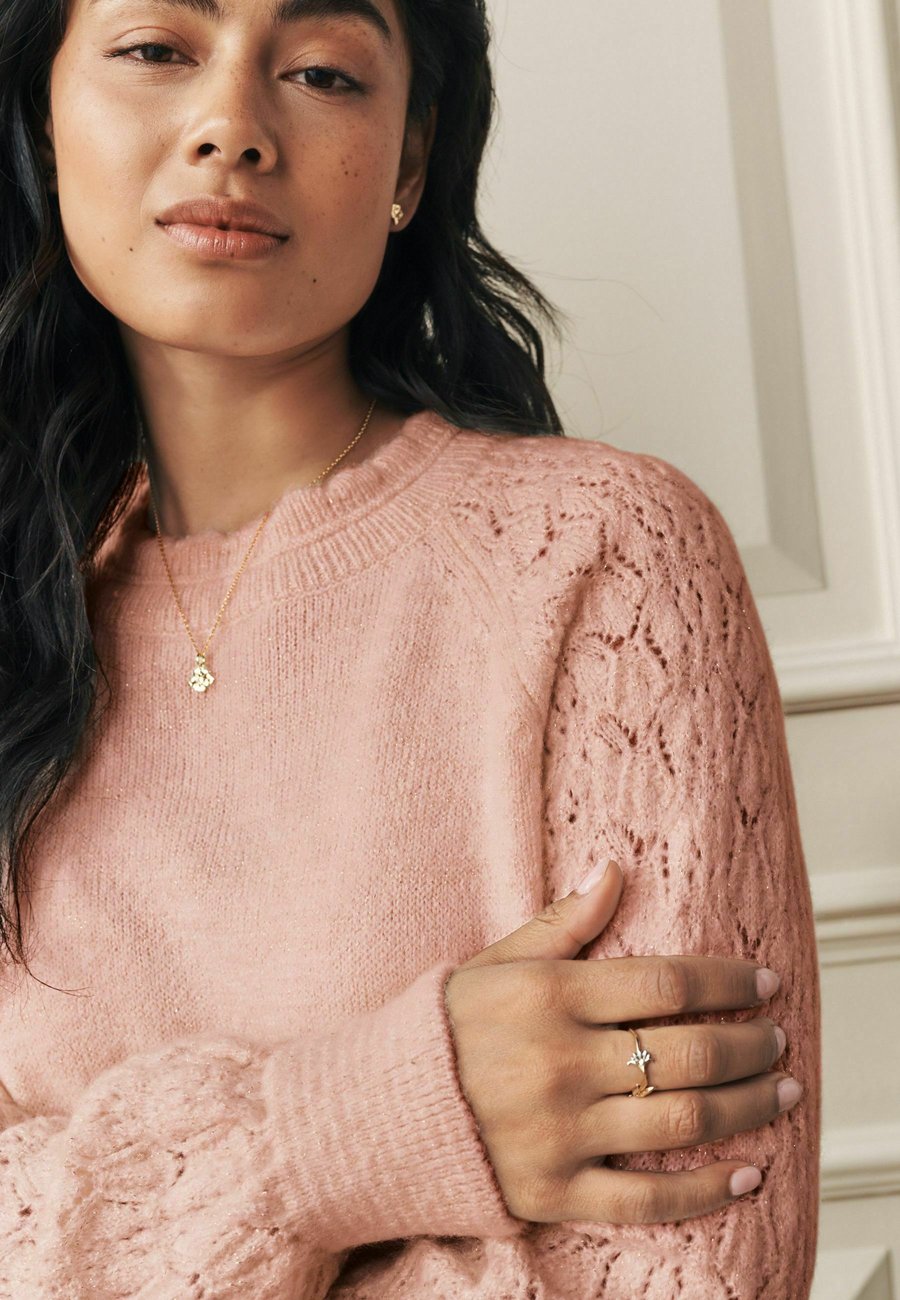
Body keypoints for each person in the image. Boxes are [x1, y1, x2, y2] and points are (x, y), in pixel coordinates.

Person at [0, 0, 820, 1295]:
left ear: (413, 159)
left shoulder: (601, 557)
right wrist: (343, 1131)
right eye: (157, 48)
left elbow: (703, 1267)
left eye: (322, 70)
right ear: (44, 119)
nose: (230, 127)